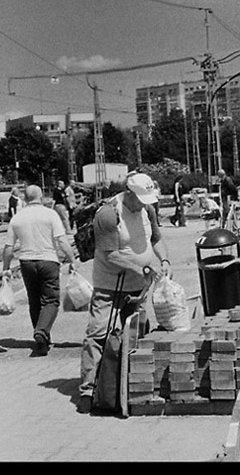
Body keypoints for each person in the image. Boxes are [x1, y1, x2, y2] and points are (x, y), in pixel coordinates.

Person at [78, 172, 171, 413]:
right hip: (110, 286)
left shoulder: (147, 210)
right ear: (128, 192)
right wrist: (143, 268)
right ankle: (89, 389)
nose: (144, 203)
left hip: (138, 286)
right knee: (98, 333)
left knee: (137, 335)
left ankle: (129, 385)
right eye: (140, 199)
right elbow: (111, 254)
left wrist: (165, 260)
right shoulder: (109, 214)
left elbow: (157, 239)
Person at [1, 185, 78, 356]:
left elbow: (8, 248)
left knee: (34, 301)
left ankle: (42, 341)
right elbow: (62, 241)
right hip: (48, 261)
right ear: (41, 196)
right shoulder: (50, 215)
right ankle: (42, 332)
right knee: (50, 301)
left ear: (25, 198)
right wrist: (72, 260)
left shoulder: (17, 218)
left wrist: (6, 268)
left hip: (26, 262)